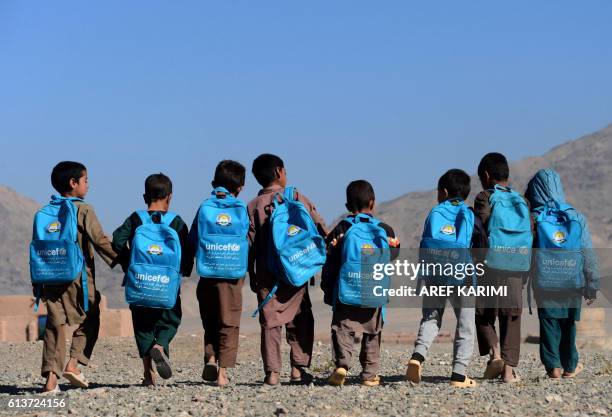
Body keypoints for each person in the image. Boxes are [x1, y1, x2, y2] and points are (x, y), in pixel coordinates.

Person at [36, 161, 118, 393]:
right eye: (86, 180)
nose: (88, 185)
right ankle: (74, 363)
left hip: (50, 276)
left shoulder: (45, 211)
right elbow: (100, 240)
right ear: (74, 183)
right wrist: (123, 259)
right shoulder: (83, 209)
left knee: (55, 325)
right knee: (91, 314)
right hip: (77, 277)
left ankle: (51, 382)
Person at [247, 154, 328, 385]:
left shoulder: (253, 205)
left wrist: (251, 274)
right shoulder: (296, 197)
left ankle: (272, 372)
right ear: (280, 171)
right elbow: (319, 226)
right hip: (296, 269)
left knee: (270, 322)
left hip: (266, 274)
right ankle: (298, 369)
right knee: (300, 319)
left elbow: (249, 244)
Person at [406, 169, 485, 388]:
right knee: (466, 323)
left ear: (443, 191)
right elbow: (480, 246)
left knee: (431, 318)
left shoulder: (435, 212)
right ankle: (459, 374)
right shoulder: (469, 215)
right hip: (463, 277)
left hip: (434, 274)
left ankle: (418, 356)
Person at [112, 173, 193, 386]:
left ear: (144, 196)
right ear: (170, 197)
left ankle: (148, 375)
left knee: (142, 328)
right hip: (167, 285)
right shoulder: (176, 222)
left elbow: (117, 240)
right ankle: (161, 345)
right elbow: (187, 251)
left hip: (140, 283)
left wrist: (129, 264)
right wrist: (183, 271)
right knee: (170, 320)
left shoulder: (136, 218)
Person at [321, 180, 400, 387]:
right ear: (372, 203)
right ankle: (369, 374)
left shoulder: (342, 228)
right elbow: (393, 255)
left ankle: (342, 366)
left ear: (347, 206)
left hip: (346, 290)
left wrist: (327, 288)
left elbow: (330, 259)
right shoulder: (384, 229)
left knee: (342, 328)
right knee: (372, 332)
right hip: (373, 293)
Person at [525, 169, 599, 378]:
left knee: (549, 323)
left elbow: (527, 251)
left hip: (545, 280)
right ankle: (569, 367)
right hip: (572, 280)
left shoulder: (534, 218)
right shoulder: (575, 216)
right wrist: (592, 283)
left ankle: (553, 367)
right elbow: (587, 252)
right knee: (568, 324)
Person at [474, 153, 533, 383]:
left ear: (486, 176)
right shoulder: (522, 201)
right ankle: (508, 372)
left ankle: (495, 354)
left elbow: (480, 233)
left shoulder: (484, 197)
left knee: (482, 314)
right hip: (516, 265)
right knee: (512, 318)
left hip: (490, 264)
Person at [189, 160, 250, 387]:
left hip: (207, 274)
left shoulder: (205, 207)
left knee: (211, 320)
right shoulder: (241, 208)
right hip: (232, 276)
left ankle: (211, 357)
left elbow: (193, 239)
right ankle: (222, 373)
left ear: (214, 183)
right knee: (229, 322)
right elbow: (249, 241)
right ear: (241, 187)